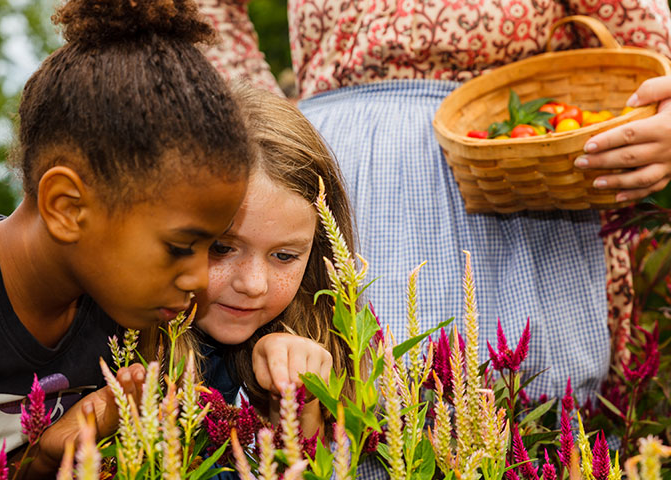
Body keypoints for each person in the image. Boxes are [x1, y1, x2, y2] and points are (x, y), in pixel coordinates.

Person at [196, 0, 671, 401]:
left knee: (523, 414)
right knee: (336, 395)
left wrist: (658, 101)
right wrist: (260, 125)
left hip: (507, 170)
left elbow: (634, 36)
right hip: (335, 163)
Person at [0, 0, 251, 480]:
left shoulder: (119, 316)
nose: (200, 279)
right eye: (181, 246)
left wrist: (48, 453)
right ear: (68, 207)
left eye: (213, 247)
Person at [177, 84, 382, 480]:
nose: (253, 284)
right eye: (222, 247)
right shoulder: (118, 342)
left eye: (285, 256)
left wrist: (296, 405)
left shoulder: (296, 341)